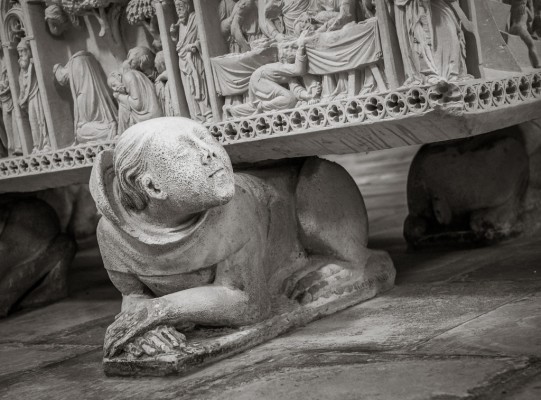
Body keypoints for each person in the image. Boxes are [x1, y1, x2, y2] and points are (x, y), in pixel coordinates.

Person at [89, 117, 391, 358]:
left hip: (309, 195)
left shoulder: (234, 205)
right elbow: (135, 295)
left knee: (315, 182)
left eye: (207, 140)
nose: (210, 153)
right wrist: (143, 323)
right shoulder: (113, 235)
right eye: (185, 153)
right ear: (153, 187)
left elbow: (250, 303)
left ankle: (351, 260)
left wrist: (159, 311)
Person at [54, 51, 118, 143]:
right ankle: (110, 128)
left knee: (79, 133)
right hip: (109, 122)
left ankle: (109, 129)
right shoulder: (89, 62)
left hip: (100, 128)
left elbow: (62, 78)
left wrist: (56, 68)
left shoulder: (74, 64)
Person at [172, 0, 213, 123]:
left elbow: (203, 37)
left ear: (187, 6)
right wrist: (174, 36)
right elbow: (180, 44)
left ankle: (208, 113)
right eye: (176, 8)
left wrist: (193, 46)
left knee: (200, 84)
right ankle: (197, 116)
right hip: (183, 61)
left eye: (180, 6)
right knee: (189, 89)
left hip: (194, 59)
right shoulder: (181, 24)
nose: (178, 10)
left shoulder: (195, 18)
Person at [18, 38, 50, 153]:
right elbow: (22, 88)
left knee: (41, 119)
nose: (21, 55)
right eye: (19, 52)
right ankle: (37, 145)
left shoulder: (33, 64)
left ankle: (46, 142)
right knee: (33, 122)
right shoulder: (22, 72)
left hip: (37, 94)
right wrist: (21, 99)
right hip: (29, 99)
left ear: (29, 51)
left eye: (23, 51)